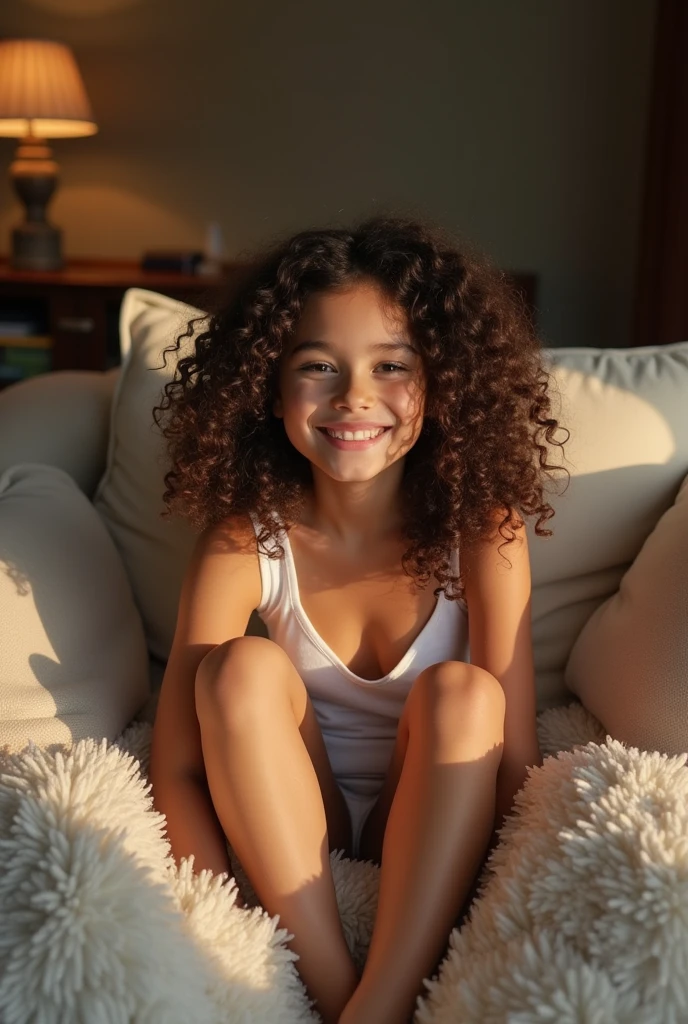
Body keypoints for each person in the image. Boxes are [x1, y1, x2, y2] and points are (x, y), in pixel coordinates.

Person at [149, 214, 570, 1024]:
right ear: (269, 389)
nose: (354, 398)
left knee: (465, 695)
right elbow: (177, 767)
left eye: (392, 366)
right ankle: (336, 995)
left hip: (437, 806)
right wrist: (205, 936)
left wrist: (506, 915)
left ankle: (387, 995)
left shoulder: (485, 528)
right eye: (317, 366)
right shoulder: (247, 537)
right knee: (236, 669)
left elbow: (514, 759)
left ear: (442, 386)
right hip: (299, 814)